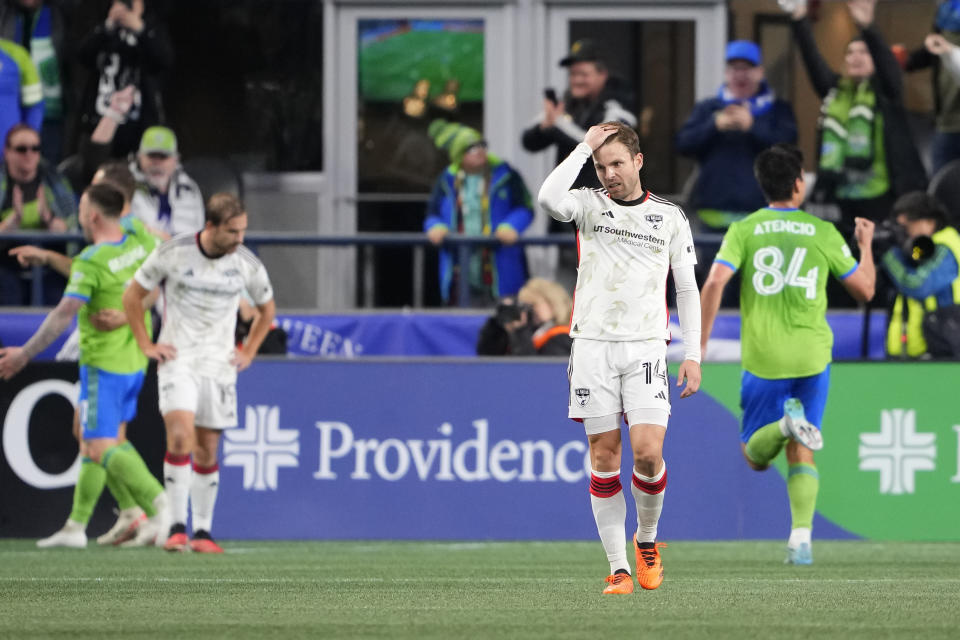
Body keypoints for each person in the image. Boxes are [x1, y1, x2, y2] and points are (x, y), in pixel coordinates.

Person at [538, 122, 702, 594]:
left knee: (649, 455)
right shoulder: (588, 205)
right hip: (592, 346)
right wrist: (581, 148)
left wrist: (692, 353)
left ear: (638, 161)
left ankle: (646, 542)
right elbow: (549, 198)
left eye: (616, 163)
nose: (608, 173)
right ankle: (619, 569)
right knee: (604, 456)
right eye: (600, 165)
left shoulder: (669, 216)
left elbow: (686, 287)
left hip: (647, 347)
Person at [700, 143, 876, 565]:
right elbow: (866, 290)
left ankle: (782, 424)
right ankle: (801, 538)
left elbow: (712, 284)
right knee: (804, 449)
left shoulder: (744, 230)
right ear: (798, 185)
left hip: (765, 358)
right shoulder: (823, 232)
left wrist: (699, 346)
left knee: (755, 458)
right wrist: (865, 245)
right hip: (813, 356)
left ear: (763, 186)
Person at [0, 183, 169, 548]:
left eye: (82, 206)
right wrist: (47, 257)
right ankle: (81, 525)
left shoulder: (94, 259)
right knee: (99, 436)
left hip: (102, 364)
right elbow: (159, 271)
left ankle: (159, 507)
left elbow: (64, 314)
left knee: (98, 444)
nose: (77, 211)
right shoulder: (137, 235)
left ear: (92, 215)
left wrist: (24, 354)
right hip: (134, 360)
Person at [123, 192, 276, 553]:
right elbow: (133, 296)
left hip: (219, 364)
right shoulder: (173, 253)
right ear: (210, 226)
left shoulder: (246, 264)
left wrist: (249, 352)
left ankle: (203, 532)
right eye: (232, 232)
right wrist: (146, 344)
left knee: (207, 449)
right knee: (180, 438)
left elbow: (268, 310)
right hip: (179, 358)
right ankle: (176, 527)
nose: (239, 240)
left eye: (242, 232)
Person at [786, 0, 927, 240]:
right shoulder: (835, 91)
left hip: (882, 198)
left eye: (864, 52)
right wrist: (799, 19)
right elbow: (813, 61)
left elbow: (889, 68)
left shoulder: (886, 93)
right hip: (840, 196)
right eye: (850, 53)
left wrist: (868, 27)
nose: (856, 57)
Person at [521, 39, 636, 290]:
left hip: (605, 216)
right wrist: (546, 126)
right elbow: (529, 141)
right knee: (566, 291)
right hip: (567, 214)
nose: (576, 81)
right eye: (573, 75)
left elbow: (598, 145)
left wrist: (558, 124)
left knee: (602, 289)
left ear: (602, 74)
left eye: (583, 74)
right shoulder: (568, 106)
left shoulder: (617, 106)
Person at [676, 40, 798, 231]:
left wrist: (752, 126)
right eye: (734, 68)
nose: (740, 75)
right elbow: (683, 144)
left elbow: (789, 149)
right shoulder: (709, 108)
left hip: (761, 218)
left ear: (760, 72)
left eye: (747, 68)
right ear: (726, 73)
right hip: (712, 218)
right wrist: (713, 125)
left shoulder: (778, 110)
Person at [425, 119, 533, 306]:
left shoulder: (506, 174)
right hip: (460, 268)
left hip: (501, 266)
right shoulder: (447, 180)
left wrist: (512, 225)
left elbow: (525, 206)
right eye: (471, 148)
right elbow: (432, 213)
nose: (480, 151)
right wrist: (435, 227)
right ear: (459, 155)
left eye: (482, 145)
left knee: (507, 319)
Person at [76, 0, 173, 157]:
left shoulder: (153, 27)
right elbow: (83, 55)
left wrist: (140, 28)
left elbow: (164, 59)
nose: (125, 8)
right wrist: (107, 26)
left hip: (137, 124)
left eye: (130, 4)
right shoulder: (103, 28)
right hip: (100, 119)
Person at [0, 122, 75, 305]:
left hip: (49, 266)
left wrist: (47, 218)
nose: (29, 154)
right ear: (7, 152)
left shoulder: (55, 182)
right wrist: (13, 221)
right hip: (5, 265)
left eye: (35, 148)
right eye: (21, 149)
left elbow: (71, 229)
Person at [881, 191, 960, 358]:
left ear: (930, 222)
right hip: (909, 353)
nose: (904, 234)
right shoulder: (912, 252)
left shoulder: (945, 246)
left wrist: (889, 255)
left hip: (940, 351)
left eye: (907, 226)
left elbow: (918, 285)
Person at [0, 0, 72, 162]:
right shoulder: (6, 13)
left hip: (53, 115)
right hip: (12, 119)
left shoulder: (59, 12)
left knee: (47, 169)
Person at [902, 1, 960, 173]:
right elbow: (932, 51)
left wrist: (949, 51)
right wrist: (905, 60)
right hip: (945, 121)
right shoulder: (943, 18)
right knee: (939, 183)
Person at [129, 125, 205, 240]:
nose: (157, 163)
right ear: (139, 157)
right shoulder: (126, 185)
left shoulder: (188, 188)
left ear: (176, 159)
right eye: (152, 156)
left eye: (163, 157)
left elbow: (197, 233)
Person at [475, 277, 573, 356]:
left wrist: (521, 331)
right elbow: (487, 357)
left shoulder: (562, 338)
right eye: (524, 307)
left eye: (533, 305)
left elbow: (536, 372)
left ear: (553, 304)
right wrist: (497, 325)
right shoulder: (530, 333)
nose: (528, 312)